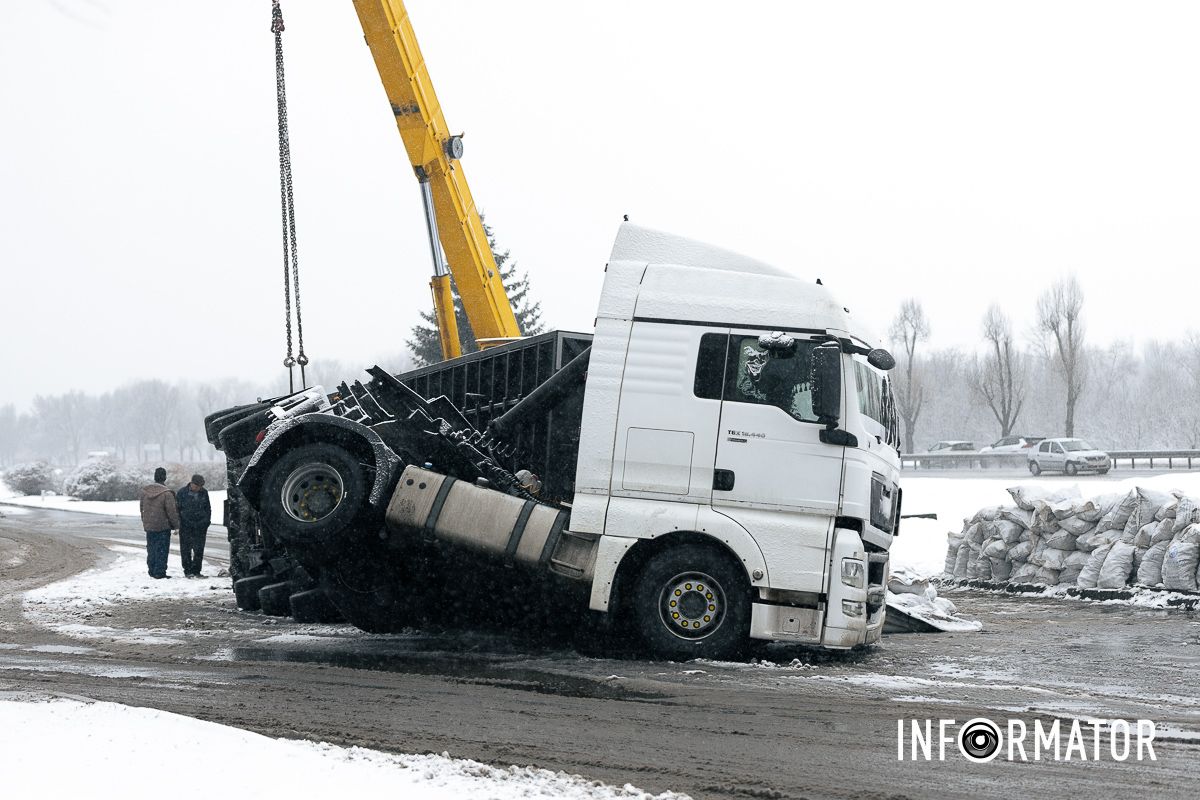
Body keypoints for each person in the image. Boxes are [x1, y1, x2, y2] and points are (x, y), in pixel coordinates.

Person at [139, 467, 179, 579]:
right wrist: (176, 526)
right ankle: (159, 572)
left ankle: (151, 570)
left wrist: (145, 522)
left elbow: (142, 508)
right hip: (162, 526)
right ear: (165, 477)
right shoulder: (167, 494)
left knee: (151, 549)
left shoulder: (145, 492)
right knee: (162, 550)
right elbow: (171, 511)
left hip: (149, 526)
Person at [175, 474, 212, 578]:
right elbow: (178, 509)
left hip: (200, 526)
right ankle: (187, 570)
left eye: (200, 486)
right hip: (186, 526)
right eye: (197, 486)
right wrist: (181, 522)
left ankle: (197, 570)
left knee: (199, 549)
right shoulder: (182, 492)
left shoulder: (204, 493)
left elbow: (208, 508)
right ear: (192, 483)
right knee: (186, 549)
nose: (198, 488)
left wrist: (206, 522)